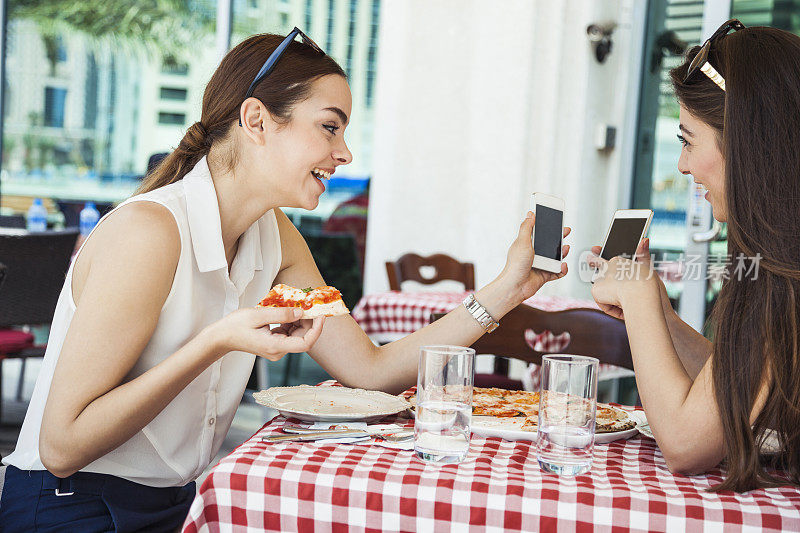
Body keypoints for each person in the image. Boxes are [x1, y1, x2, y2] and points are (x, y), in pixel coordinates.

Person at [0, 29, 570, 530]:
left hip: (178, 506)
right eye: (329, 128)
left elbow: (369, 372)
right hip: (69, 508)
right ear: (256, 121)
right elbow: (62, 446)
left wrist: (508, 289)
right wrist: (217, 340)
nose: (344, 153)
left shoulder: (276, 239)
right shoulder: (151, 233)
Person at [589, 21, 800, 492]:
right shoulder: (779, 263)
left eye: (687, 140)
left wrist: (639, 295)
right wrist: (659, 312)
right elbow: (731, 388)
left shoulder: (784, 275)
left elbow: (686, 445)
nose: (682, 165)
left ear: (745, 144)